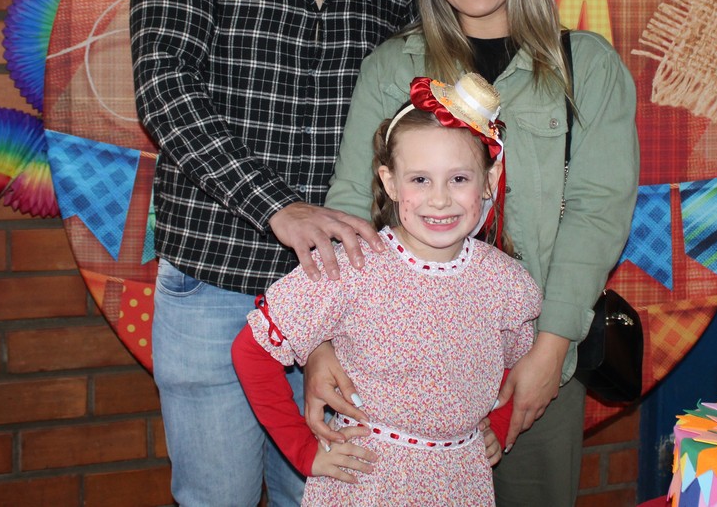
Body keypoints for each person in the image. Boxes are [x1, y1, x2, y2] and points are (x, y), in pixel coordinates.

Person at [128, 0, 415, 507]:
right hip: (213, 284)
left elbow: (414, 120)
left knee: (326, 499)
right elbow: (164, 89)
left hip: (340, 298)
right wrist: (277, 206)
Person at [311, 0, 640, 505]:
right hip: (398, 368)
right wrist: (323, 340)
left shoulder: (587, 67)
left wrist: (550, 351)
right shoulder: (394, 66)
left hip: (533, 360)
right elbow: (350, 207)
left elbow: (597, 215)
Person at [232, 74, 542, 506]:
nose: (440, 199)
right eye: (420, 180)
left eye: (459, 179)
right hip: (367, 481)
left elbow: (512, 363)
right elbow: (252, 352)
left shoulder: (506, 283)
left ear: (490, 179)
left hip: (461, 483)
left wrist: (500, 422)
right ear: (390, 181)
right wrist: (303, 452)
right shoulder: (352, 266)